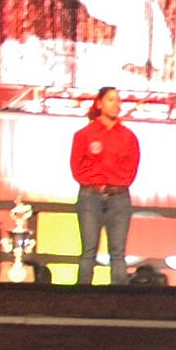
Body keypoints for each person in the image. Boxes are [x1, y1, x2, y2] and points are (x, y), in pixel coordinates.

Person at [69, 86, 139, 285]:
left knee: (118, 253)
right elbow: (77, 166)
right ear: (99, 104)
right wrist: (95, 181)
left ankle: (119, 302)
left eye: (118, 100)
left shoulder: (128, 136)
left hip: (119, 197)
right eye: (110, 99)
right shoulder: (84, 134)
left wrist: (115, 182)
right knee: (89, 251)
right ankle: (82, 299)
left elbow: (131, 168)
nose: (116, 104)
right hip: (91, 196)